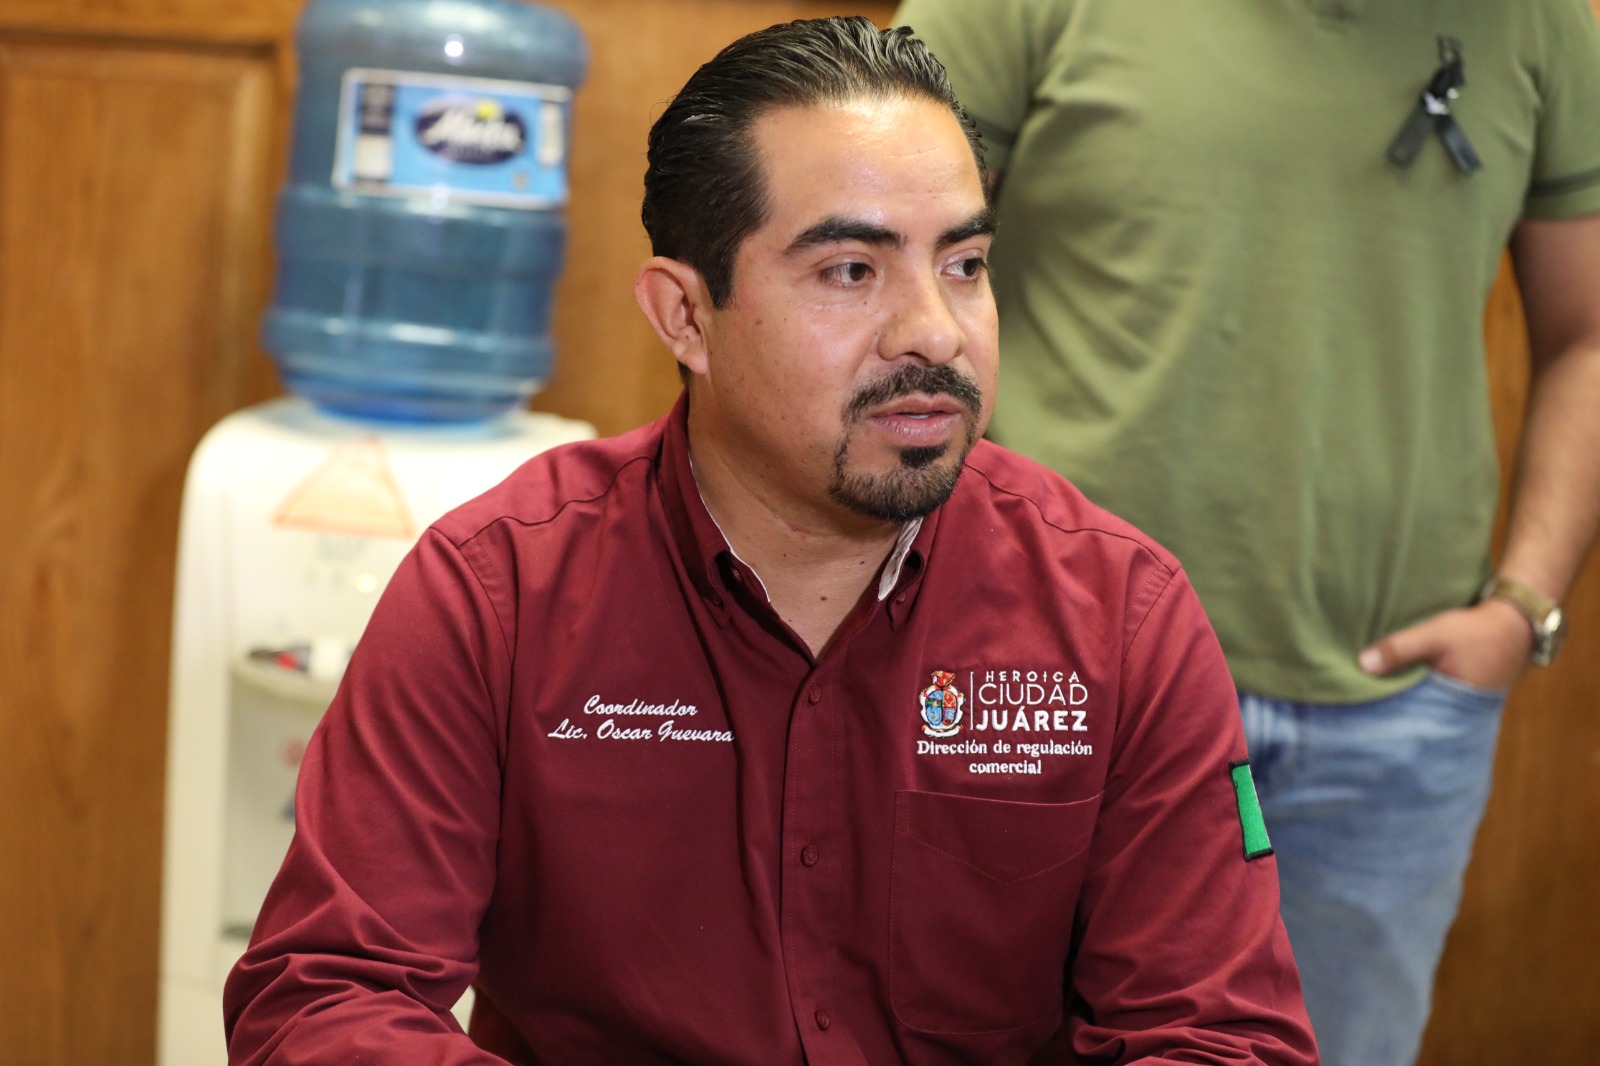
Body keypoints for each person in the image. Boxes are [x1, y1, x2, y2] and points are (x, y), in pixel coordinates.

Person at [223, 16, 1318, 1065]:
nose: (935, 332)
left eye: (964, 264)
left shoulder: (1120, 612)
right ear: (685, 317)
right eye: (851, 271)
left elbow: (1223, 1038)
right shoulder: (496, 593)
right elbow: (321, 1002)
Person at [890, 2, 1600, 1064]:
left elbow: (1588, 335)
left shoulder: (1539, 23)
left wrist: (1522, 608)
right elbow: (860, 257)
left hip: (1387, 730)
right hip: (1046, 689)